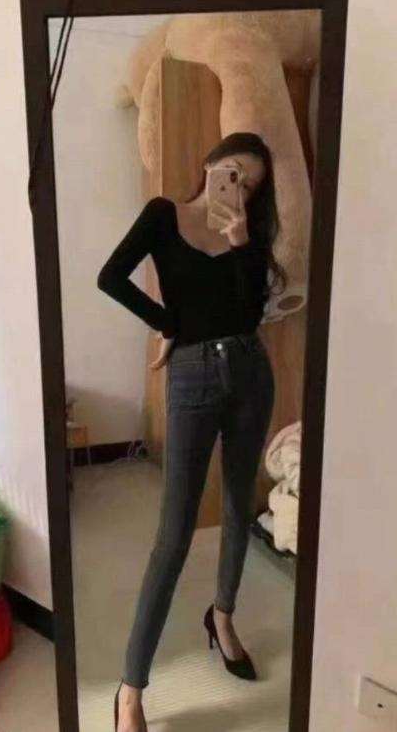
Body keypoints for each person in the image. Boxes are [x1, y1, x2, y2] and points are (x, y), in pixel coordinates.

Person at [97, 132, 284, 732]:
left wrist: (242, 245)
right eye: (232, 171)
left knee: (237, 504)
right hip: (193, 377)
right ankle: (131, 689)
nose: (237, 186)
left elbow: (249, 314)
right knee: (174, 534)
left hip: (250, 372)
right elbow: (110, 277)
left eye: (249, 183)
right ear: (208, 165)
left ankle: (222, 617)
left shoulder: (249, 236)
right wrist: (168, 324)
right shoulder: (163, 215)